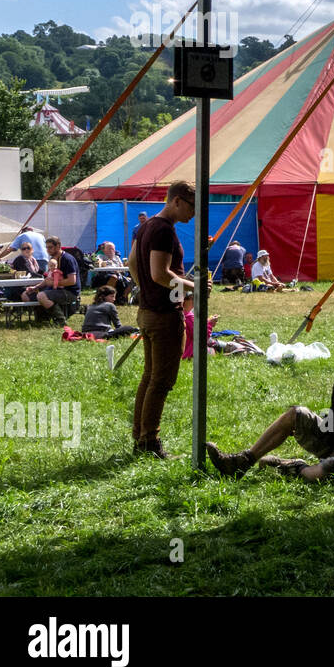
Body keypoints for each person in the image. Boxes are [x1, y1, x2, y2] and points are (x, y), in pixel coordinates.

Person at [206, 339, 334, 480]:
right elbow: (329, 422)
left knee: (321, 472)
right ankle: (243, 461)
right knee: (295, 413)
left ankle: (290, 467)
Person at [128, 180, 197, 459]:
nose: (194, 214)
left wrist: (144, 289)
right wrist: (193, 286)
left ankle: (140, 437)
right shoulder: (163, 230)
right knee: (162, 381)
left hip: (147, 311)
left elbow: (133, 261)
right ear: (177, 201)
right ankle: (150, 443)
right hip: (164, 315)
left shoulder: (145, 226)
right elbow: (160, 273)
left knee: (149, 377)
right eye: (193, 207)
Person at [27, 236, 80, 326]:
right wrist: (35, 287)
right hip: (56, 290)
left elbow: (72, 281)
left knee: (41, 296)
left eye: (50, 247)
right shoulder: (53, 260)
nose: (48, 250)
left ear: (58, 246)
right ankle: (43, 319)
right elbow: (48, 279)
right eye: (46, 247)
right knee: (27, 294)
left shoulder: (67, 259)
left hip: (70, 292)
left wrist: (54, 283)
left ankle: (60, 320)